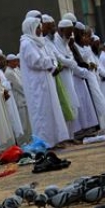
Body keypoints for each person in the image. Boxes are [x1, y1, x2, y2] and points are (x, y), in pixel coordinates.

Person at [19, 17, 69, 148]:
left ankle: (54, 140)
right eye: (38, 27)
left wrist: (50, 62)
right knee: (41, 113)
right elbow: (35, 61)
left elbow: (48, 58)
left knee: (51, 111)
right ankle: (45, 142)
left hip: (46, 81)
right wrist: (49, 62)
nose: (40, 30)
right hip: (37, 86)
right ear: (31, 28)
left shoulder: (37, 42)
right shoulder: (26, 43)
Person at [5, 53, 32, 144]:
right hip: (19, 100)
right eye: (15, 61)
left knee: (28, 124)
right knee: (23, 124)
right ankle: (22, 143)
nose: (17, 62)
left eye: (17, 60)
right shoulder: (9, 73)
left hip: (24, 99)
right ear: (9, 62)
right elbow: (18, 86)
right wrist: (28, 94)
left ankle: (29, 141)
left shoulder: (15, 70)